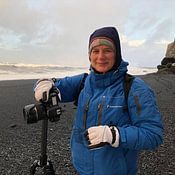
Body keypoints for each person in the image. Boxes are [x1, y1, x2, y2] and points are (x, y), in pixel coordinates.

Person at [34, 27, 164, 175]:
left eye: (107, 50)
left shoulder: (135, 88)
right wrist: (41, 84)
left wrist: (114, 135)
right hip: (82, 168)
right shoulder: (84, 82)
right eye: (95, 51)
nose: (101, 57)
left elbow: (153, 135)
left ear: (117, 54)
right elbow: (52, 86)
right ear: (89, 56)